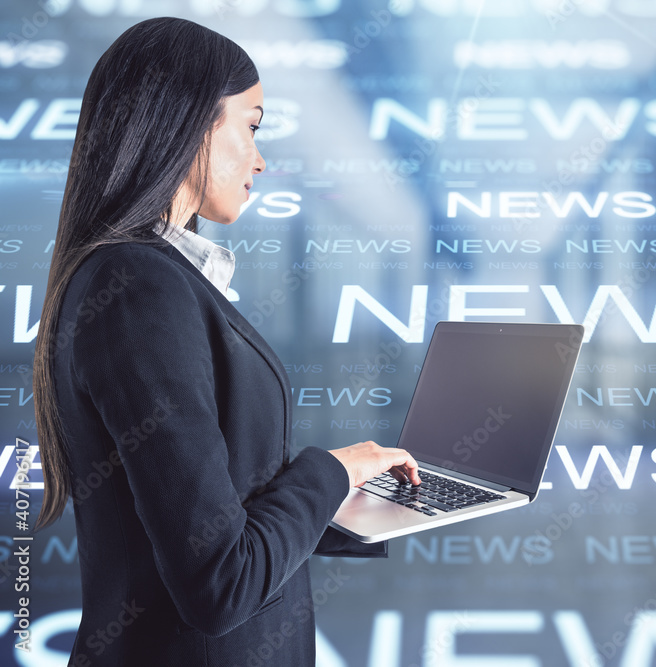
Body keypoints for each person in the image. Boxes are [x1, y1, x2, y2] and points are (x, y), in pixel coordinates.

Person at [31, 17, 419, 665]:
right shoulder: (137, 285)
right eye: (252, 125)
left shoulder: (145, 276)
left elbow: (222, 513)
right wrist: (330, 468)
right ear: (188, 123)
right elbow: (220, 581)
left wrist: (364, 499)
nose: (261, 158)